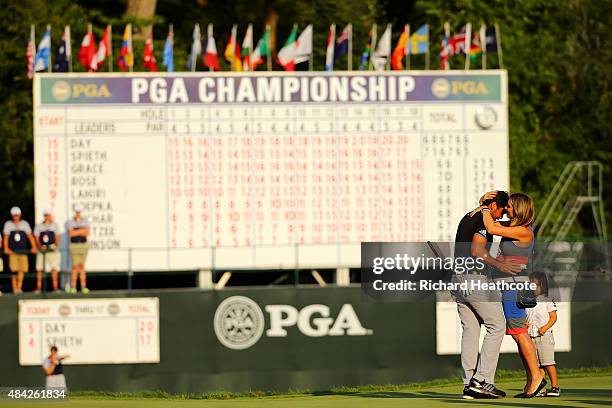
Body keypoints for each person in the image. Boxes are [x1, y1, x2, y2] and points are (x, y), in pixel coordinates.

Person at [454, 191, 522, 399]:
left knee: (471, 330)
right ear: (493, 206)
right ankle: (481, 380)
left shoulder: (468, 216)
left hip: (458, 278)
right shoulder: (484, 221)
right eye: (501, 211)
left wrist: (483, 204)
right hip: (473, 278)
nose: (502, 216)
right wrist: (500, 264)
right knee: (497, 325)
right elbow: (477, 250)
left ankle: (469, 384)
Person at [480, 192, 548, 398]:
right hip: (509, 285)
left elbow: (491, 227)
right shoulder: (514, 229)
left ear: (518, 208)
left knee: (519, 333)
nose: (506, 209)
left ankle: (537, 376)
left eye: (509, 206)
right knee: (517, 333)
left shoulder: (524, 231)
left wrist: (484, 208)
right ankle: (533, 379)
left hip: (514, 287)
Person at [527, 272, 560, 397]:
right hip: (531, 336)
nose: (533, 287)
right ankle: (539, 388)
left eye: (536, 284)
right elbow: (528, 318)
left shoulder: (547, 299)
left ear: (542, 285)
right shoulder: (527, 300)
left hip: (544, 336)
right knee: (537, 364)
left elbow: (553, 317)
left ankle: (555, 387)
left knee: (548, 362)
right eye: (531, 284)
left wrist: (545, 328)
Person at [3, 207, 37, 294]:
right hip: (13, 251)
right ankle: (14, 288)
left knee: (22, 269)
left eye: (17, 215)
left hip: (23, 251)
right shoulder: (8, 224)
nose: (15, 217)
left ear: (20, 215)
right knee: (13, 270)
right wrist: (6, 248)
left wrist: (34, 247)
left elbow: (30, 236)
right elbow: (6, 238)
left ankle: (19, 287)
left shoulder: (24, 224)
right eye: (14, 215)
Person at [34, 209, 61, 293]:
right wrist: (40, 246)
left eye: (48, 215)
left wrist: (55, 245)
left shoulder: (55, 225)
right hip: (42, 251)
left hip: (52, 250)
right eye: (46, 215)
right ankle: (38, 288)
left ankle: (55, 288)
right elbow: (36, 237)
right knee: (39, 269)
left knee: (54, 269)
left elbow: (57, 237)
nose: (47, 217)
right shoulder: (39, 226)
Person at [67, 205, 90, 294]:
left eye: (79, 211)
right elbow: (71, 233)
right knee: (75, 266)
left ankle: (83, 287)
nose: (78, 213)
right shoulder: (70, 221)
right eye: (77, 211)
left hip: (83, 245)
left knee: (82, 266)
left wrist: (76, 231)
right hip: (74, 245)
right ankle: (73, 287)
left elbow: (87, 232)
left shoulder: (85, 220)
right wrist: (81, 230)